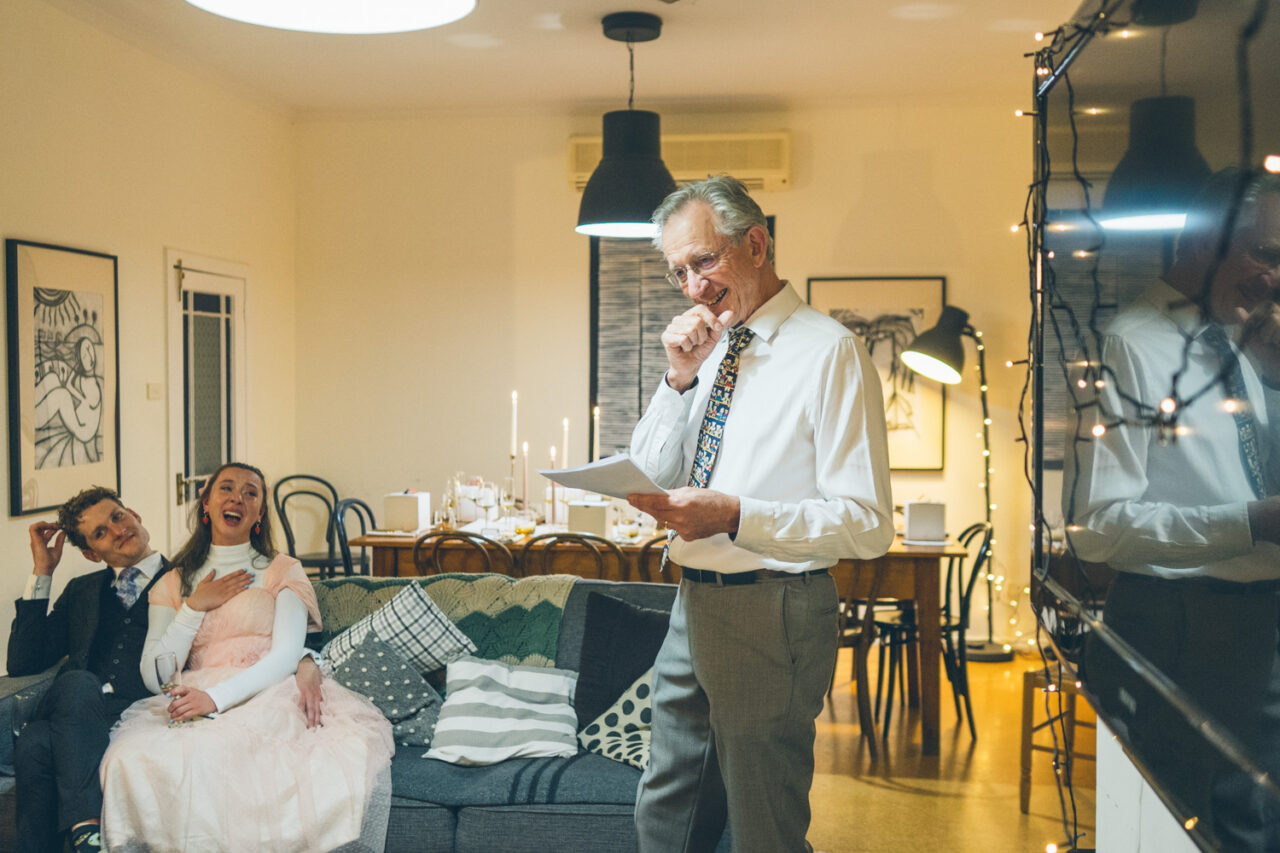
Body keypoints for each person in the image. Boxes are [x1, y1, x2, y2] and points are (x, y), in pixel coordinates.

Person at [627, 175, 894, 853]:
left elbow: (865, 522)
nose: (692, 287)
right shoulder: (708, 347)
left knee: (760, 828)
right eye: (679, 271)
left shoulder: (830, 351)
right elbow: (654, 471)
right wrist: (676, 376)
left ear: (756, 243)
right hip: (693, 602)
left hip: (773, 607)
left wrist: (737, 515)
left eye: (704, 261)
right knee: (666, 813)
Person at [1065, 167, 1280, 846]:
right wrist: (1254, 523)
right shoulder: (1131, 341)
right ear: (1203, 244)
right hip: (1177, 627)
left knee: (1253, 824)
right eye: (1266, 254)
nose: (1276, 276)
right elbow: (1098, 527)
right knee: (1176, 831)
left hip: (1255, 631)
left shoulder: (1245, 338)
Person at [98, 462, 393, 852]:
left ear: (259, 511)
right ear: (206, 503)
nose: (237, 497)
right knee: (127, 756)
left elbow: (287, 654)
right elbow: (156, 675)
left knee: (215, 754)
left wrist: (216, 700)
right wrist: (193, 607)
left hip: (268, 692)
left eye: (250, 492)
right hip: (194, 692)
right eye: (226, 489)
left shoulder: (282, 570)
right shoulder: (174, 581)